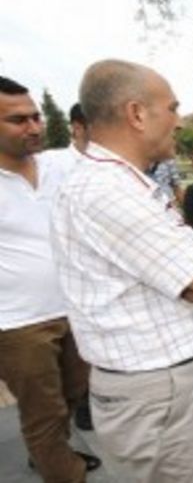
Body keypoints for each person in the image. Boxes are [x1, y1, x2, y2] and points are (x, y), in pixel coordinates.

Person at [50, 59, 193, 482]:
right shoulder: (110, 192)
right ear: (137, 113)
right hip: (161, 393)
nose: (178, 122)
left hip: (161, 387)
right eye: (172, 108)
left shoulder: (124, 183)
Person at [0, 76, 101, 482]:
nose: (35, 127)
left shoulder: (59, 165)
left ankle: (48, 453)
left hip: (75, 309)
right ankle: (61, 470)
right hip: (18, 324)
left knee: (73, 393)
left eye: (36, 116)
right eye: (18, 120)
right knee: (43, 411)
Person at [36, 102, 95, 431]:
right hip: (46, 296)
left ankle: (87, 404)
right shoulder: (50, 164)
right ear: (77, 126)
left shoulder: (115, 167)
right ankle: (53, 447)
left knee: (85, 362)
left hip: (91, 286)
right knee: (50, 383)